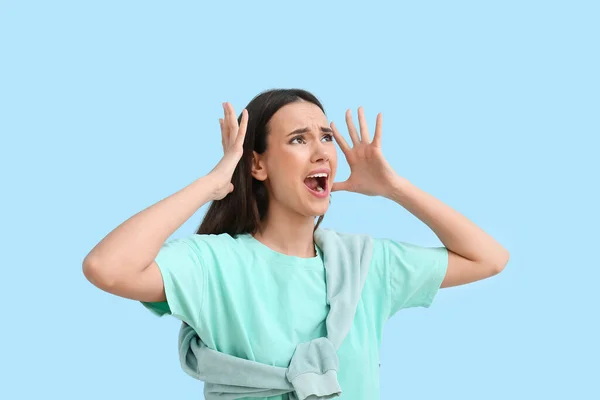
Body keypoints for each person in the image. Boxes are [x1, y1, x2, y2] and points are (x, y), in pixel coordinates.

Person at [83, 88, 510, 399]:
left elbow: (488, 258)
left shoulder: (363, 267)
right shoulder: (214, 265)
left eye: (326, 137)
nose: (322, 151)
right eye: (299, 139)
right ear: (257, 164)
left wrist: (395, 188)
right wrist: (212, 183)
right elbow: (107, 267)